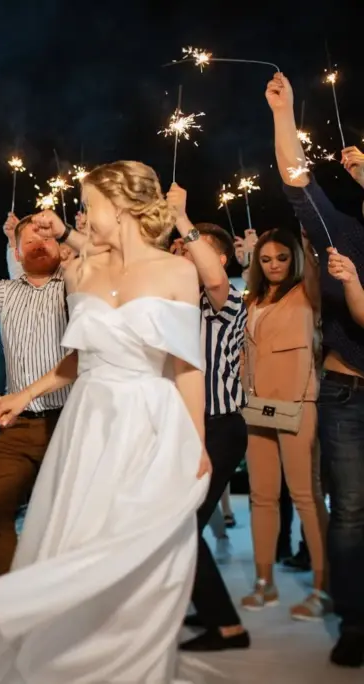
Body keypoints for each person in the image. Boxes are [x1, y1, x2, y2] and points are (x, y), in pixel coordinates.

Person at [0, 160, 211, 683]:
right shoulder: (80, 273)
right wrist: (22, 394)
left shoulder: (177, 271)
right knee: (80, 541)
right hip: (88, 423)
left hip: (149, 420)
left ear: (118, 207)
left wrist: (197, 444)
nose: (83, 213)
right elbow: (80, 359)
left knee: (137, 551)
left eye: (90, 204)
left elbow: (187, 367)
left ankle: (133, 663)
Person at [268, 72, 364, 668]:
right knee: (349, 510)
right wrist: (285, 113)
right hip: (346, 393)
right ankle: (355, 619)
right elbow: (296, 180)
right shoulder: (345, 232)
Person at [0, 209, 83, 579]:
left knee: (66, 520)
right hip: (17, 425)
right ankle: (9, 594)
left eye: (47, 237)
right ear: (17, 252)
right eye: (30, 241)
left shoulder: (76, 283)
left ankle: (64, 599)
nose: (40, 244)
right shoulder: (5, 292)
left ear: (60, 242)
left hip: (70, 422)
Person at [165, 186, 250, 652]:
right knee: (177, 524)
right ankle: (201, 605)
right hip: (182, 429)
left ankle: (228, 625)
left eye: (189, 249)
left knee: (182, 525)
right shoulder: (176, 304)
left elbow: (215, 280)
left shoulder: (226, 301)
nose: (180, 253)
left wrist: (182, 218)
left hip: (218, 427)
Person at [240, 227, 328, 618]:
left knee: (307, 497)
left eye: (281, 257)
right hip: (258, 406)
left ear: (294, 257)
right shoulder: (254, 298)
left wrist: (309, 240)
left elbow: (314, 268)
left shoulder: (306, 293)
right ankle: (265, 584)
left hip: (298, 403)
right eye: (265, 259)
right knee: (261, 496)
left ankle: (325, 590)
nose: (274, 265)